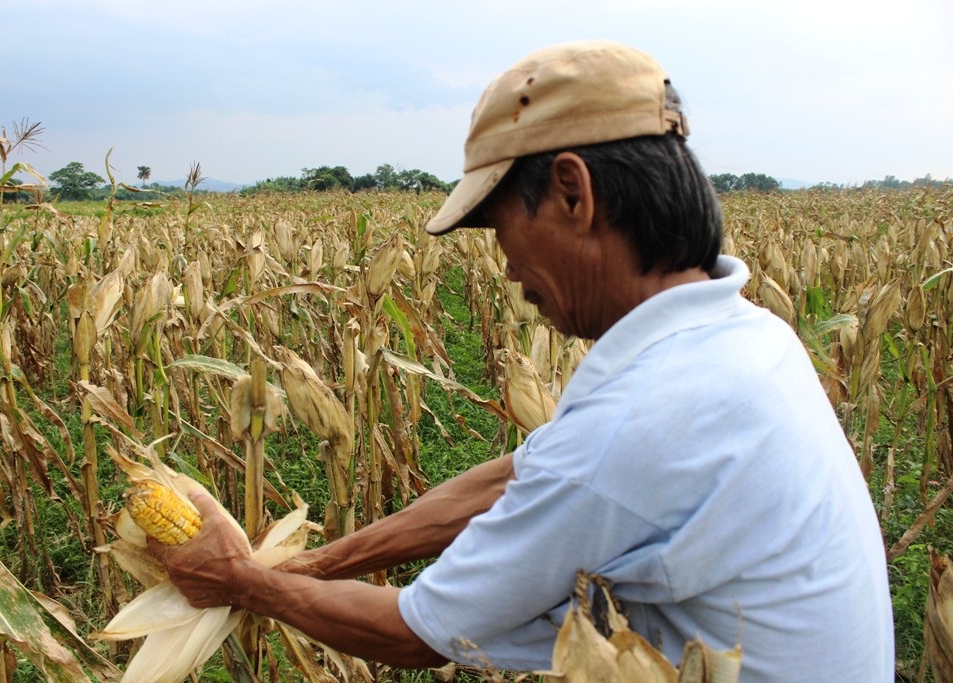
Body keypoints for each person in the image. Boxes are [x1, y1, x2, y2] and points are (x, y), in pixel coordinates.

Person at [152, 40, 895, 680]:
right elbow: (518, 478)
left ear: (573, 192)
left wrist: (243, 581)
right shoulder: (747, 337)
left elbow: (412, 633)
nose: (506, 268)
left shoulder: (642, 421)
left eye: (501, 226)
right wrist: (307, 566)